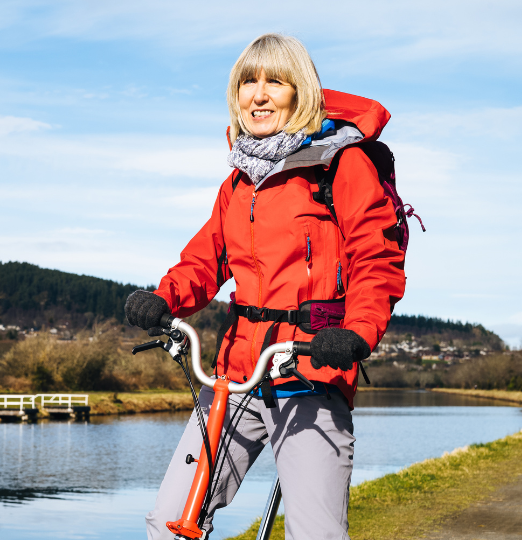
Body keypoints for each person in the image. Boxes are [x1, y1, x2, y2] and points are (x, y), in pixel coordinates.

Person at [125, 34, 406, 540]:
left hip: (312, 366)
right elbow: (205, 258)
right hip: (236, 376)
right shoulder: (238, 182)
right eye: (247, 83)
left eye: (274, 81)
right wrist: (165, 297)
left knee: (315, 532)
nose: (258, 95)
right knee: (170, 522)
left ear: (300, 92)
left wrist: (358, 332)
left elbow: (375, 259)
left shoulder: (341, 163)